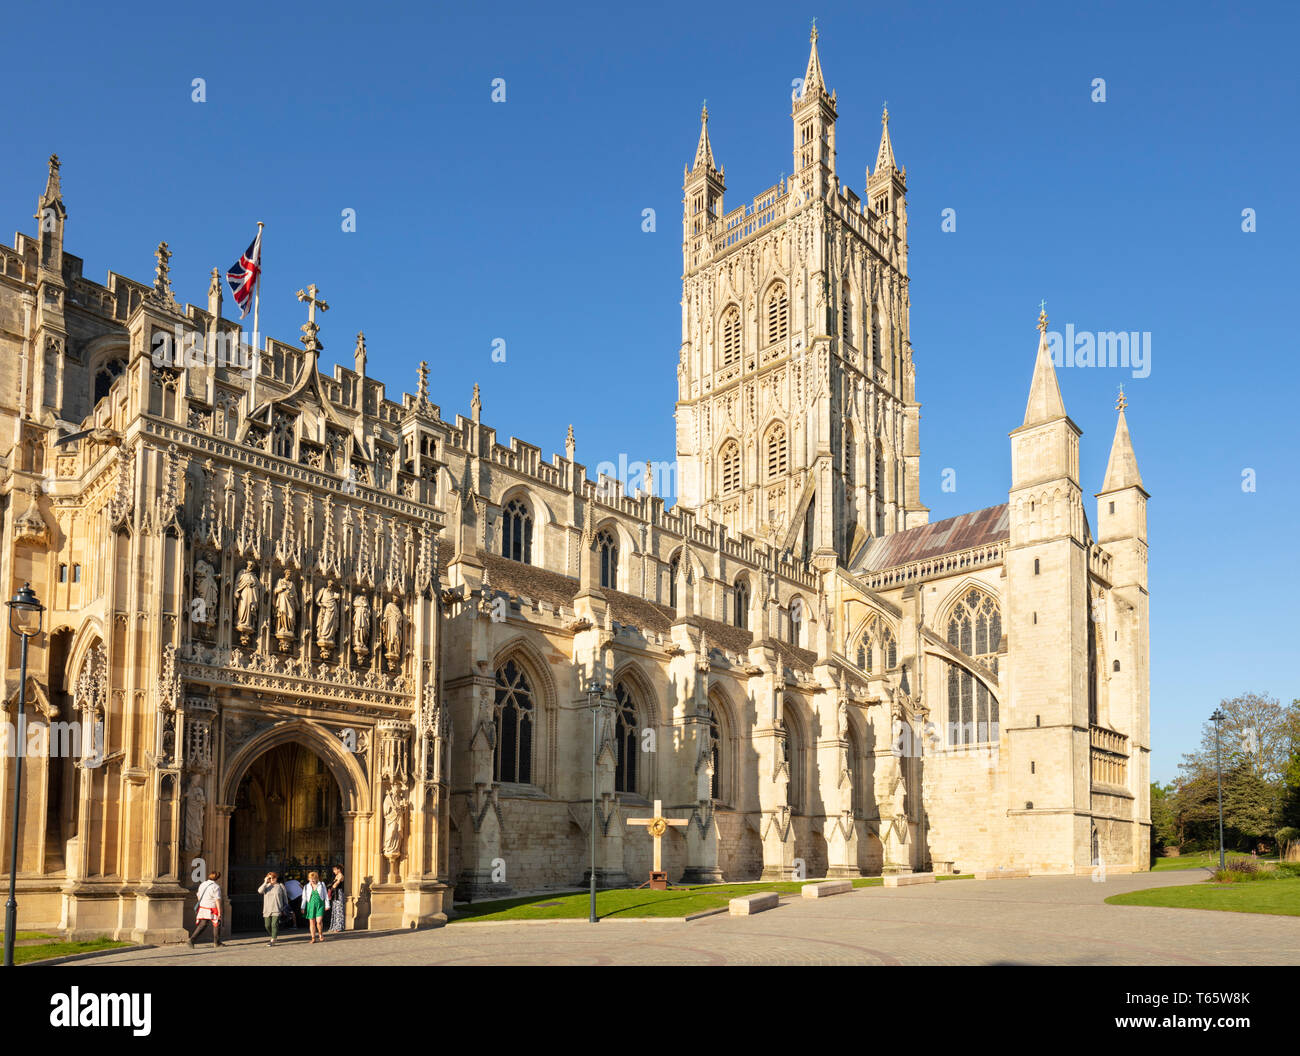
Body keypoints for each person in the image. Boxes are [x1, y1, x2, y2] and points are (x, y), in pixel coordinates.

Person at [187, 871, 223, 948]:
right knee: (217, 923)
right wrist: (219, 912)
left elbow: (198, 895)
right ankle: (217, 942)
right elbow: (217, 900)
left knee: (203, 924)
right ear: (217, 878)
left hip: (203, 907)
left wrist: (202, 903)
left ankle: (192, 940)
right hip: (212, 907)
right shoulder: (216, 887)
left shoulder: (202, 884)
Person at [258, 872, 290, 947]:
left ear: (276, 878)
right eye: (270, 878)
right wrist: (265, 882)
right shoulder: (266, 886)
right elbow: (259, 891)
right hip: (267, 909)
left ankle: (273, 939)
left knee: (274, 924)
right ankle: (273, 935)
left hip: (277, 908)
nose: (272, 879)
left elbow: (285, 898)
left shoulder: (280, 886)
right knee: (267, 925)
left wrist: (285, 908)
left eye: (273, 878)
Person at [301, 870, 330, 943]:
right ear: (309, 879)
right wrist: (303, 907)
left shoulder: (322, 884)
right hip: (310, 905)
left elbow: (326, 895)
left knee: (319, 921)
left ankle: (320, 934)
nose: (312, 880)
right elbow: (304, 897)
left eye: (314, 879)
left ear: (317, 878)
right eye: (311, 879)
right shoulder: (306, 886)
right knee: (312, 922)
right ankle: (313, 938)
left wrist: (327, 904)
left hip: (320, 904)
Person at [327, 865, 346, 933]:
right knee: (335, 909)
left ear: (339, 869)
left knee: (339, 909)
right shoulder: (336, 876)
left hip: (339, 893)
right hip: (335, 893)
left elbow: (336, 885)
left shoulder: (340, 875)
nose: (333, 871)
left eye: (335, 869)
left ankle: (339, 927)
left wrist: (330, 888)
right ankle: (335, 926)